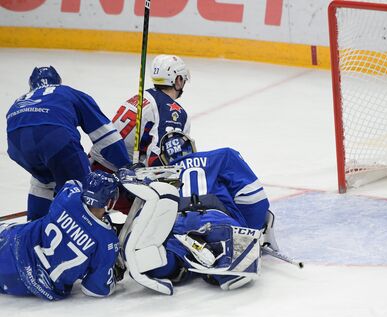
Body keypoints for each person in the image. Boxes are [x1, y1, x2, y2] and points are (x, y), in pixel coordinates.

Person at [119, 131, 274, 293]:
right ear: (192, 147)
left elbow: (144, 216)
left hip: (174, 225)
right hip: (215, 219)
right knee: (240, 260)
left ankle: (176, 264)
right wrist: (249, 229)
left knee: (161, 260)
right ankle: (218, 262)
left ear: (164, 158)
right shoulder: (222, 156)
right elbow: (254, 197)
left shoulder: (155, 174)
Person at [6, 66, 130, 220]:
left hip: (17, 147)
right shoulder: (67, 92)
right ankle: (88, 234)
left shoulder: (20, 100)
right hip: (55, 138)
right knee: (86, 191)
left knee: (43, 179)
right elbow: (105, 134)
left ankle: (35, 226)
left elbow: (32, 133)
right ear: (58, 82)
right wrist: (125, 166)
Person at [0, 171, 121, 301]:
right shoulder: (107, 242)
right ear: (109, 201)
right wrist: (114, 273)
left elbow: (73, 182)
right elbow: (95, 289)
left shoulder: (68, 196)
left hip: (14, 243)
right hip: (27, 283)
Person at [100, 54, 191, 168]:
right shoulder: (173, 111)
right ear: (178, 80)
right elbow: (159, 161)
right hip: (114, 173)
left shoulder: (142, 96)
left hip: (94, 163)